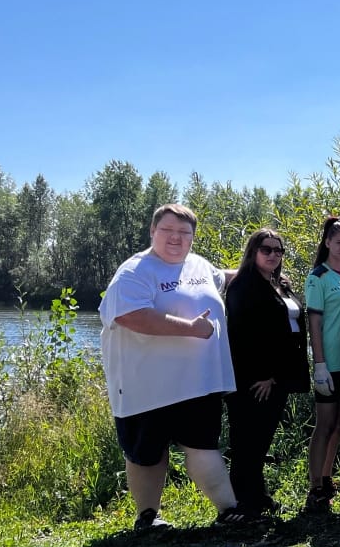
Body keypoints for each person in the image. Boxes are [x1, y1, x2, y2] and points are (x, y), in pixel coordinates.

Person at [100, 203, 243, 529]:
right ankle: (147, 517)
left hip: (197, 382)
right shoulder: (135, 272)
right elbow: (130, 315)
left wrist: (259, 269)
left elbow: (224, 277)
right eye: (167, 231)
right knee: (146, 453)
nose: (176, 238)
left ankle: (229, 511)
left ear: (193, 237)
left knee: (203, 445)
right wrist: (189, 329)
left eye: (184, 232)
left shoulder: (198, 265)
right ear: (153, 232)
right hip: (146, 386)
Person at [224, 228, 310, 519]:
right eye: (267, 249)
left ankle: (258, 497)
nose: (273, 255)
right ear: (253, 252)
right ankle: (242, 504)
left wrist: (278, 375)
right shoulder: (242, 286)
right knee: (247, 441)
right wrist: (263, 375)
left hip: (278, 377)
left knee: (261, 441)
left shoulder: (279, 284)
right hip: (253, 380)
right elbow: (242, 337)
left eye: (279, 250)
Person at [305, 216, 340, 513]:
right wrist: (319, 364)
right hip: (330, 363)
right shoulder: (318, 277)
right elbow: (315, 321)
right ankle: (314, 487)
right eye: (339, 243)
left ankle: (326, 478)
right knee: (323, 425)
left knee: (338, 425)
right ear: (327, 242)